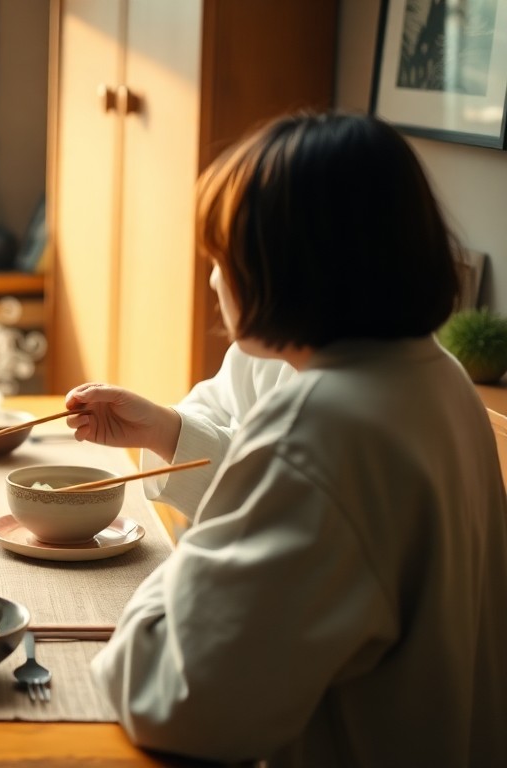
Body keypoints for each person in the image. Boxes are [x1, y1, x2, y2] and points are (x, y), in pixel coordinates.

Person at [88, 112, 507, 765]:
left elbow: (172, 696)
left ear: (284, 266)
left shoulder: (325, 429)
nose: (213, 280)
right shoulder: (435, 378)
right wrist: (175, 436)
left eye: (224, 258)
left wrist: (189, 569)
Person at [66, 343, 295, 515]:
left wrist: (161, 431)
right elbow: (214, 404)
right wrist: (158, 426)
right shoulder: (256, 344)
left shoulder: (307, 371)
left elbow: (274, 484)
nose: (214, 281)